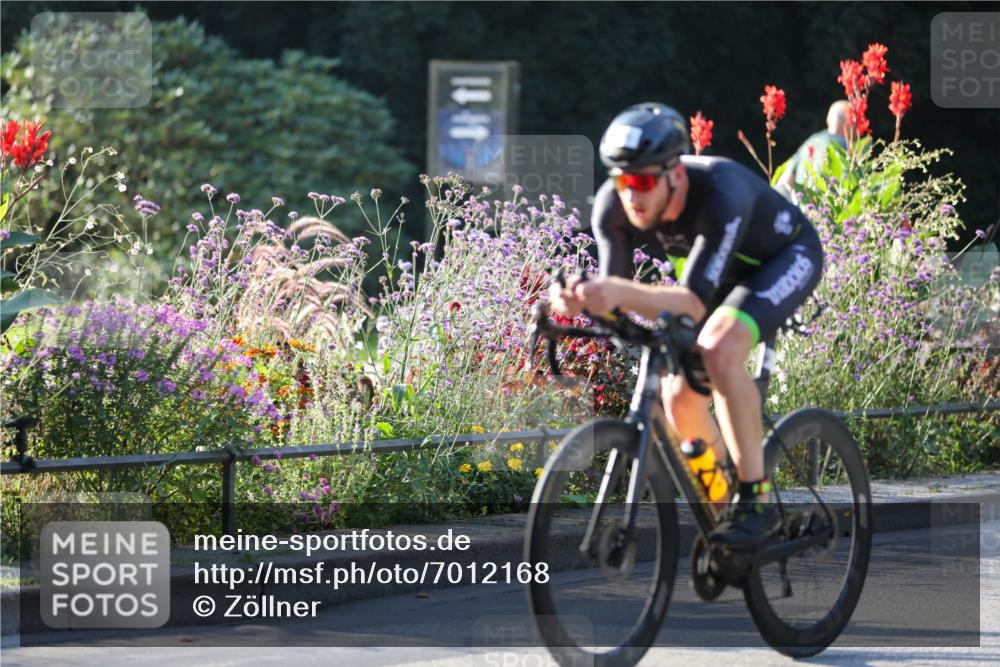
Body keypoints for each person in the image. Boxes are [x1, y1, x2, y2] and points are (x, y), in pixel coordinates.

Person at [548, 103, 825, 548]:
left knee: (718, 350)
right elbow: (616, 299)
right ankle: (726, 519)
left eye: (642, 182)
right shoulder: (613, 207)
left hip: (784, 258)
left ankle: (756, 501)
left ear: (675, 174)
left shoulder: (720, 192)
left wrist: (613, 292)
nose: (631, 196)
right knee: (679, 399)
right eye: (622, 182)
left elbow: (692, 304)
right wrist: (578, 300)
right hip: (719, 275)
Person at [776, 100, 849, 197]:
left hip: (801, 202)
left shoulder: (811, 140)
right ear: (849, 122)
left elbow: (785, 181)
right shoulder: (845, 146)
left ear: (828, 119)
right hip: (827, 204)